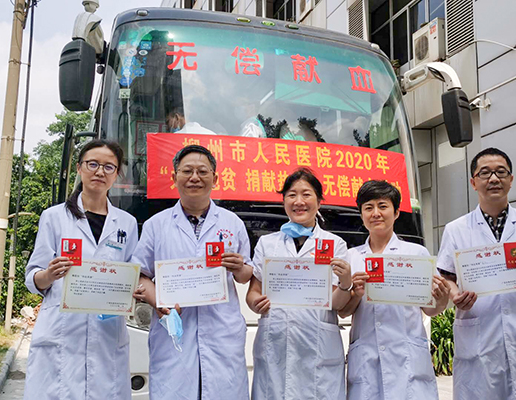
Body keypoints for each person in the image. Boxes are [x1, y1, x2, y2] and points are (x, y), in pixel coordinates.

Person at [437, 147, 516, 400]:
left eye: (501, 172)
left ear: (511, 179)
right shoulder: (456, 229)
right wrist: (455, 295)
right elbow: (446, 276)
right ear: (473, 182)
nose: (494, 178)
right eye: (485, 173)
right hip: (479, 333)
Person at [132, 144, 253, 399]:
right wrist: (159, 302)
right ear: (174, 177)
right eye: (187, 171)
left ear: (215, 178)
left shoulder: (233, 223)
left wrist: (239, 267)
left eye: (202, 171)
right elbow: (141, 275)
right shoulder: (156, 225)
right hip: (174, 331)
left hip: (222, 332)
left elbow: (245, 276)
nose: (194, 177)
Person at [23, 140, 138, 400]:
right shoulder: (54, 217)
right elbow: (33, 277)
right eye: (93, 164)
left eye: (109, 167)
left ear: (117, 174)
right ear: (79, 168)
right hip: (63, 330)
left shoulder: (127, 223)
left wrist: (135, 290)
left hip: (107, 331)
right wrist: (48, 275)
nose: (100, 172)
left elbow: (133, 274)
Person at [246, 168, 353, 400]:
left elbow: (336, 303)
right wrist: (256, 303)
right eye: (292, 195)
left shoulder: (335, 244)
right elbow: (253, 292)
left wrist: (346, 283)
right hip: (275, 342)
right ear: (284, 201)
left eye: (306, 194)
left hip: (317, 345)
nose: (299, 202)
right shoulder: (267, 244)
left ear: (319, 201)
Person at [338, 180, 450, 399]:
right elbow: (343, 311)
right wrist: (356, 294)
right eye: (368, 207)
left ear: (396, 212)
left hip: (407, 357)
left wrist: (442, 299)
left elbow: (430, 309)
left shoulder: (416, 254)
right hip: (367, 358)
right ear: (361, 214)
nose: (376, 213)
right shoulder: (352, 257)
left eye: (383, 206)